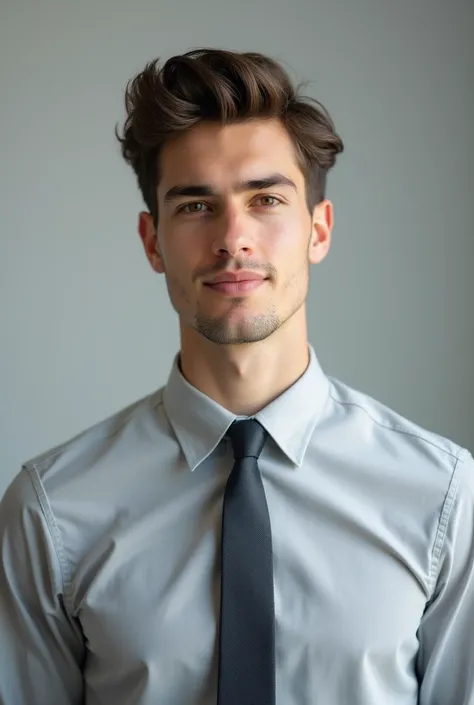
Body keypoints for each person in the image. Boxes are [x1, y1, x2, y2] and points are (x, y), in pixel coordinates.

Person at [0, 47, 473, 705]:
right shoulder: (50, 512)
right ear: (152, 241)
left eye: (267, 199)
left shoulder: (443, 498)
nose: (233, 237)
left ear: (319, 229)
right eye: (196, 206)